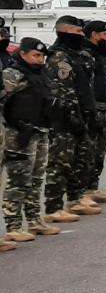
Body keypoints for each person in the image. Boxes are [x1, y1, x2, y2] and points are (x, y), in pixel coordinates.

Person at [2, 37, 60, 249]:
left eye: (42, 56)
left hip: (40, 132)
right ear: (23, 54)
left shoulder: (41, 75)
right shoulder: (12, 74)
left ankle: (34, 220)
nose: (40, 59)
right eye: (36, 55)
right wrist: (13, 126)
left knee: (36, 179)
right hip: (19, 135)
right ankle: (13, 226)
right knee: (18, 182)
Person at [43, 16, 98, 220]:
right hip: (63, 119)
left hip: (81, 115)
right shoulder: (58, 57)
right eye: (76, 33)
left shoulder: (76, 56)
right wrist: (74, 117)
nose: (81, 36)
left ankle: (75, 198)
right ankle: (53, 207)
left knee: (81, 160)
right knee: (60, 163)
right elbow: (62, 93)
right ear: (63, 32)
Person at [81, 20, 106, 203]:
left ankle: (93, 187)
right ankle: (82, 192)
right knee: (87, 151)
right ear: (94, 35)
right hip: (92, 107)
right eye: (105, 34)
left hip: (105, 106)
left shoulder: (102, 55)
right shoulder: (86, 54)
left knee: (99, 150)